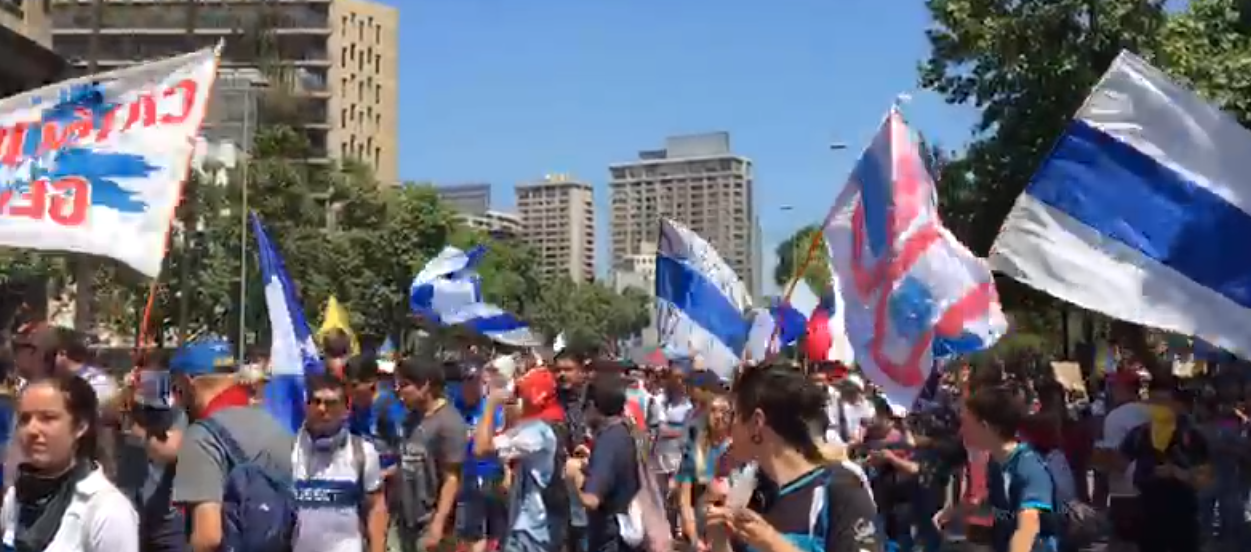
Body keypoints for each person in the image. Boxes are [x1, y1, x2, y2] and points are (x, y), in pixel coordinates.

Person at [705, 363, 882, 552]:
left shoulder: (840, 488)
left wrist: (773, 544)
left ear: (757, 422)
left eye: (734, 416)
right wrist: (719, 542)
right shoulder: (751, 493)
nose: (727, 427)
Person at [168, 340, 295, 552]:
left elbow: (207, 538)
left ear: (187, 382)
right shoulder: (277, 426)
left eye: (175, 388)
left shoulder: (203, 437)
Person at [1, 373, 138, 551]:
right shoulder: (17, 497)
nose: (32, 430)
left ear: (80, 426)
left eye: (47, 418)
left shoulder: (107, 510)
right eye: (25, 419)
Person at [940, 385, 1059, 552]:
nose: (961, 431)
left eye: (966, 424)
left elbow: (1027, 530)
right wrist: (953, 514)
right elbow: (993, 504)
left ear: (986, 427)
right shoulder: (996, 462)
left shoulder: (1028, 468)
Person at [474, 368, 568, 552]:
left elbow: (481, 448)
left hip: (533, 529)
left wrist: (491, 406)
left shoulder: (538, 431)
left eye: (520, 395)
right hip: (530, 525)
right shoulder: (545, 423)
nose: (515, 400)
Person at [293, 375, 387, 552]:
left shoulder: (363, 452)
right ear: (306, 406)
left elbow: (376, 507)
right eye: (316, 401)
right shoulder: (288, 450)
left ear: (346, 410)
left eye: (331, 403)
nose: (322, 409)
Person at [1116, 379, 1210, 552]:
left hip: (1183, 517)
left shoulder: (1192, 437)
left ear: (1176, 404)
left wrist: (1177, 473)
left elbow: (1203, 480)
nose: (1158, 408)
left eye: (1164, 402)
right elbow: (1119, 464)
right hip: (1148, 516)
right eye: (1154, 402)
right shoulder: (1139, 435)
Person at [393, 358, 468, 552]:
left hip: (429, 523)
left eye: (404, 385)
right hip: (405, 518)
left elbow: (452, 478)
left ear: (425, 385)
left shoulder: (449, 423)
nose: (399, 391)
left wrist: (438, 524)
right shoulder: (411, 418)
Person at [564, 370, 643, 552]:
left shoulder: (608, 442)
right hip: (625, 529)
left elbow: (592, 500)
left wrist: (574, 477)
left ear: (593, 405)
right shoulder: (625, 431)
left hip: (610, 536)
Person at [123, 354, 188, 552]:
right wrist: (125, 393)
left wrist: (140, 432)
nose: (149, 380)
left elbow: (169, 451)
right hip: (128, 512)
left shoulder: (175, 413)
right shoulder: (125, 407)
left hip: (166, 517)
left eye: (156, 375)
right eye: (144, 373)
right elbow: (103, 411)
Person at [454, 361, 509, 552]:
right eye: (466, 382)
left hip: (492, 477)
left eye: (474, 382)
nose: (470, 387)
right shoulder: (455, 408)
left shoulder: (493, 409)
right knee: (469, 536)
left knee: (495, 535)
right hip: (465, 478)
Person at [676, 394, 732, 552]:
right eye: (713, 410)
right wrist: (694, 538)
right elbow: (685, 500)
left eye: (724, 411)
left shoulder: (738, 451)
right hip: (701, 529)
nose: (719, 416)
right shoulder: (694, 452)